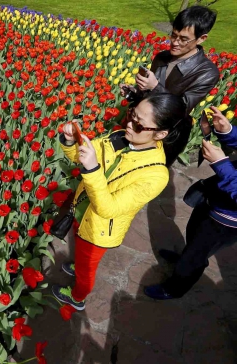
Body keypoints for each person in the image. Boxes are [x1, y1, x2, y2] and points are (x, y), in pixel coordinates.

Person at [51, 93, 190, 310]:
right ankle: (78, 265)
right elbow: (81, 157)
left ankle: (78, 297)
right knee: (79, 248)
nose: (130, 125)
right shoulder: (119, 137)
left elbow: (108, 208)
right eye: (132, 115)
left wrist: (93, 168)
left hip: (99, 230)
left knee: (86, 270)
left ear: (161, 133)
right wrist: (71, 141)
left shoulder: (155, 175)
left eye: (139, 125)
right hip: (82, 210)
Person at [145, 106, 237, 300]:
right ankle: (186, 257)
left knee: (196, 254)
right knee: (194, 234)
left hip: (227, 218)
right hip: (216, 196)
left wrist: (222, 166)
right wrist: (227, 131)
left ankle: (175, 288)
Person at [121, 5, 219, 165]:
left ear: (202, 38)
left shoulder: (207, 72)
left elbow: (182, 107)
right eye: (173, 35)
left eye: (183, 39)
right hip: (140, 128)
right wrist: (134, 93)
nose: (174, 42)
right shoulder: (162, 57)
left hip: (168, 136)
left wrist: (155, 86)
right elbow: (149, 98)